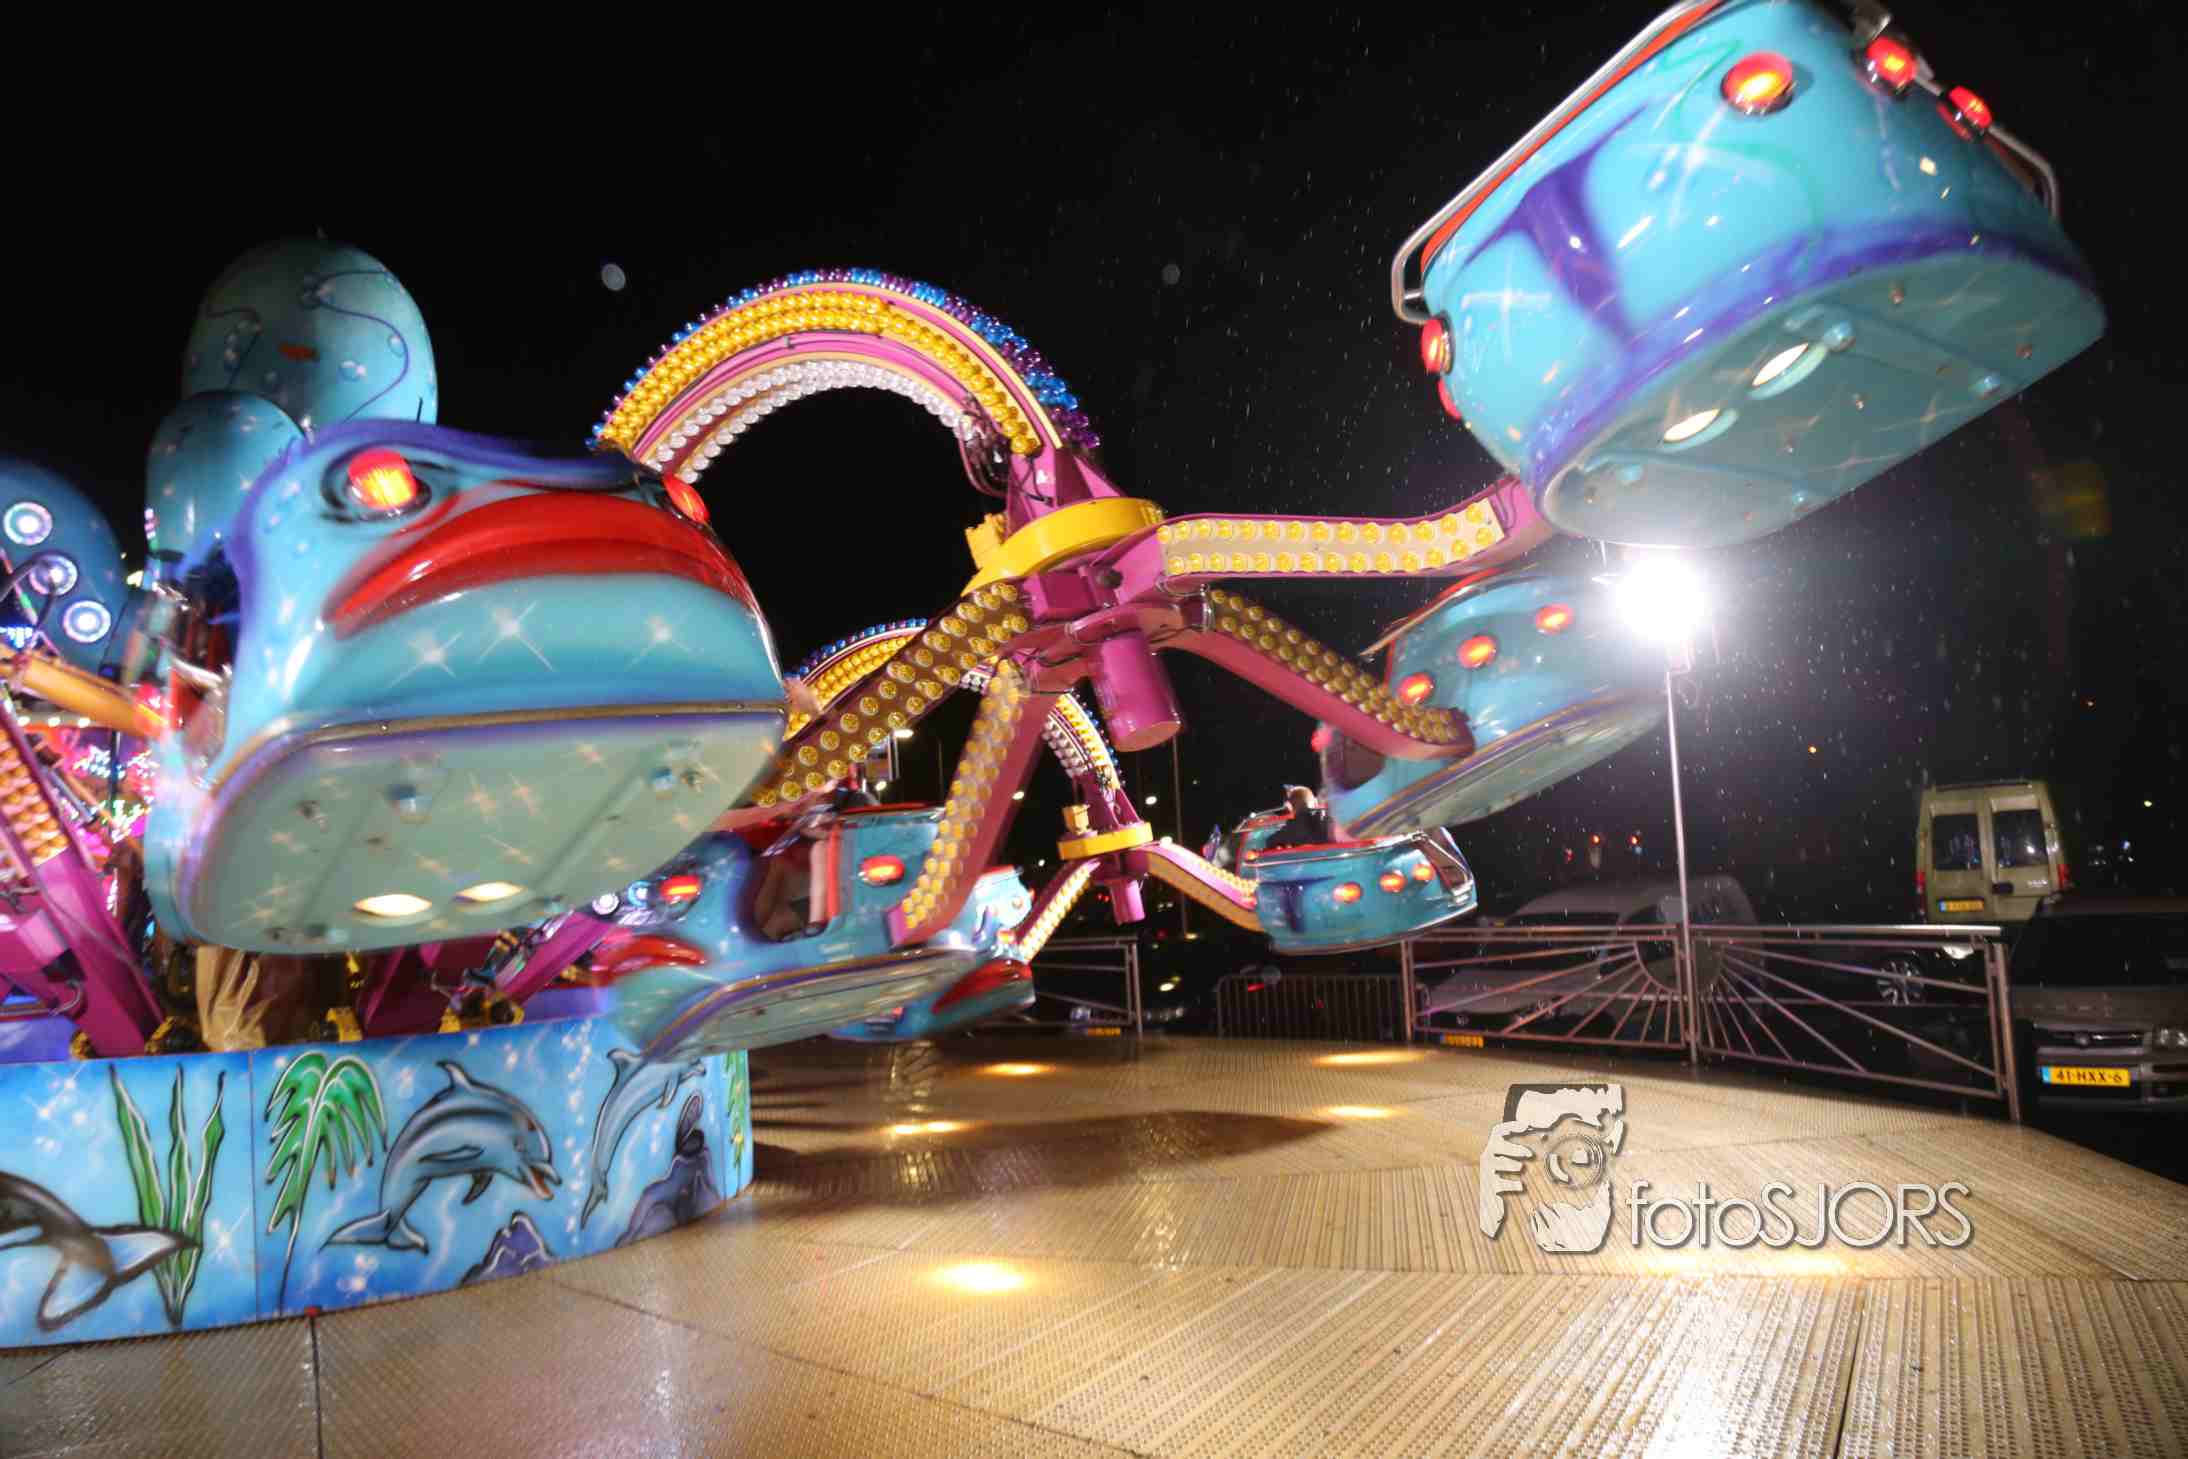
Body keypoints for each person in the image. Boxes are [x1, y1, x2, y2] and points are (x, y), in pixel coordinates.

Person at [1259, 785, 1332, 852]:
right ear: (1315, 802)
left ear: (1290, 807)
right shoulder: (1330, 822)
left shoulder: (1288, 831)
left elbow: (1269, 842)